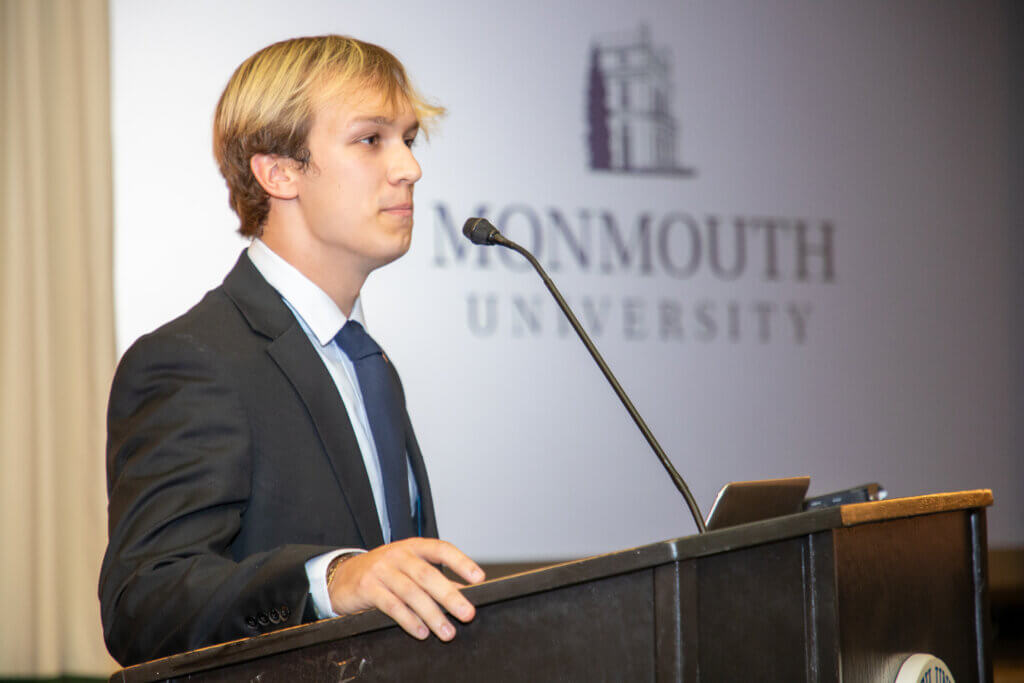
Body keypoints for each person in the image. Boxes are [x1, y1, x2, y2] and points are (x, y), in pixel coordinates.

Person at [98, 35, 484, 667]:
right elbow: (145, 602)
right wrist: (327, 582)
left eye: (408, 140)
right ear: (278, 171)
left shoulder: (369, 364)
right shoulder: (194, 359)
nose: (410, 169)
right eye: (371, 139)